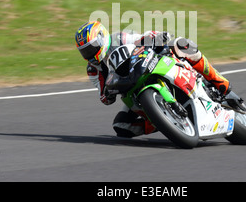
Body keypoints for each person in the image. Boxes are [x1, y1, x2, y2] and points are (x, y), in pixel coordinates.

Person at [74, 21, 231, 138]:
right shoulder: (93, 69)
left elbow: (140, 38)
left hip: (148, 64)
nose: (88, 54)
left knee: (181, 44)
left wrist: (155, 36)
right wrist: (107, 94)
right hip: (132, 90)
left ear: (102, 38)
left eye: (90, 48)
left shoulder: (119, 38)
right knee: (121, 126)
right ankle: (162, 120)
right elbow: (103, 96)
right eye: (84, 51)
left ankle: (219, 81)